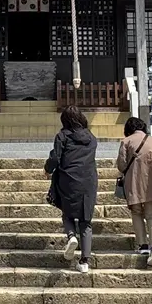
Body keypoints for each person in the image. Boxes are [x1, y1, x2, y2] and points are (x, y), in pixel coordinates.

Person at [45, 106, 99, 273]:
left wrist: (48, 169)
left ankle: (71, 236)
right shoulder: (91, 137)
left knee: (67, 212)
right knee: (86, 221)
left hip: (68, 179)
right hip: (88, 181)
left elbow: (56, 157)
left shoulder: (62, 136)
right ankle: (85, 262)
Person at [116, 116, 152, 268]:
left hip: (134, 184)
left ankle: (143, 245)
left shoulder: (126, 142)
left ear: (128, 129)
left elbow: (121, 165)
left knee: (137, 213)